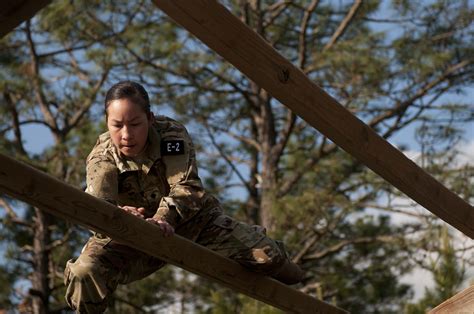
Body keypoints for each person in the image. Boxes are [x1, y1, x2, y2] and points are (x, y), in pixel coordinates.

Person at [64, 81, 303, 313]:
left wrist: (161, 218)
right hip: (131, 236)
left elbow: (186, 186)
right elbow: (98, 208)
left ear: (150, 118)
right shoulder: (101, 157)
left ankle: (297, 276)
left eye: (135, 124)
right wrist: (120, 216)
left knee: (267, 256)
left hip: (192, 224)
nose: (126, 135)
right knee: (85, 273)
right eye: (117, 125)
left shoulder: (171, 136)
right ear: (107, 123)